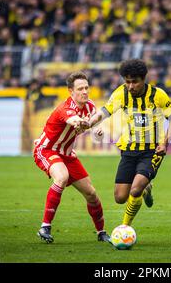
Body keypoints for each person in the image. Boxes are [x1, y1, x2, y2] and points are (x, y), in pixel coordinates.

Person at [86, 59, 171, 227]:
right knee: (120, 197)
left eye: (134, 82)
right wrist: (89, 123)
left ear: (144, 79)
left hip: (152, 150)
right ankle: (146, 188)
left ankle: (124, 227)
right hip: (129, 149)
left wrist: (165, 142)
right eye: (127, 81)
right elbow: (104, 112)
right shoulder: (121, 93)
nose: (130, 86)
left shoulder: (158, 95)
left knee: (135, 190)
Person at [33, 71, 110, 244]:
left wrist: (97, 131)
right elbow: (74, 120)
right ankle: (45, 226)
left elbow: (96, 137)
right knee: (61, 177)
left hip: (67, 154)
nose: (85, 92)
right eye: (80, 89)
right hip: (47, 150)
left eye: (86, 88)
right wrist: (84, 123)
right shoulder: (65, 109)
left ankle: (101, 233)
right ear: (70, 91)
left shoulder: (90, 106)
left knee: (91, 194)